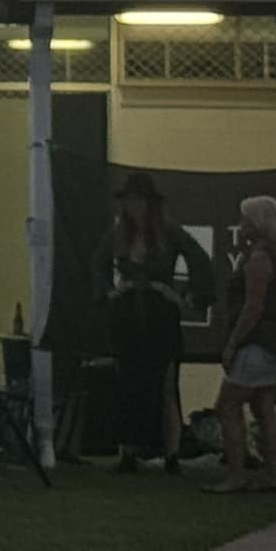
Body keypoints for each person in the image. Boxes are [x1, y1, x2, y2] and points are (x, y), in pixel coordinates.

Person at [92, 171, 213, 474]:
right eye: (130, 200)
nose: (134, 206)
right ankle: (129, 452)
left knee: (166, 384)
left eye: (139, 200)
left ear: (149, 202)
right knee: (128, 383)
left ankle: (171, 454)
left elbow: (199, 259)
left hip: (159, 313)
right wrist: (112, 291)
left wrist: (182, 297)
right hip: (128, 314)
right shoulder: (119, 233)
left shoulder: (169, 231)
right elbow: (98, 263)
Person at [208, 195, 276, 495]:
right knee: (264, 407)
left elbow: (252, 308)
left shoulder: (258, 259)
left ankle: (237, 473)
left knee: (227, 405)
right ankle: (273, 474)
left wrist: (232, 344)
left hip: (256, 343)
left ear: (258, 225)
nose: (240, 226)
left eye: (245, 220)